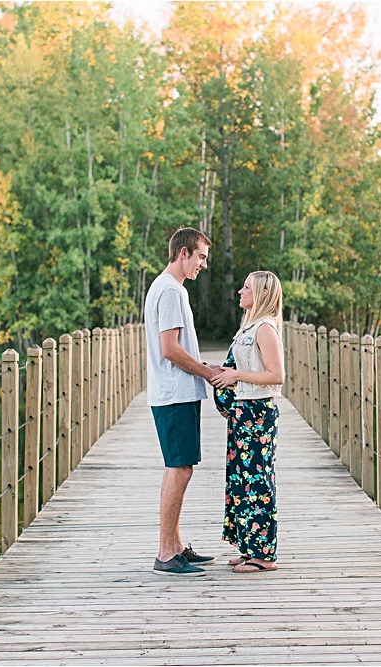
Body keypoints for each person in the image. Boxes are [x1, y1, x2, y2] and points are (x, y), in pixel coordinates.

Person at [145, 227, 221, 576]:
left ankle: (175, 546)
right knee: (181, 468)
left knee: (176, 467)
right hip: (175, 394)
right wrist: (207, 373)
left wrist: (204, 367)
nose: (203, 265)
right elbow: (170, 349)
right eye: (201, 257)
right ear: (183, 254)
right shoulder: (171, 291)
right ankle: (165, 554)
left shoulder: (169, 288)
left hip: (173, 394)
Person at [211, 271, 284, 573]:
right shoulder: (250, 327)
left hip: (257, 415)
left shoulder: (265, 329)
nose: (240, 291)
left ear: (262, 293)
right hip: (244, 414)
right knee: (241, 481)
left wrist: (236, 375)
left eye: (246, 288)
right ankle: (249, 548)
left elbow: (276, 376)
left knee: (257, 481)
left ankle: (265, 556)